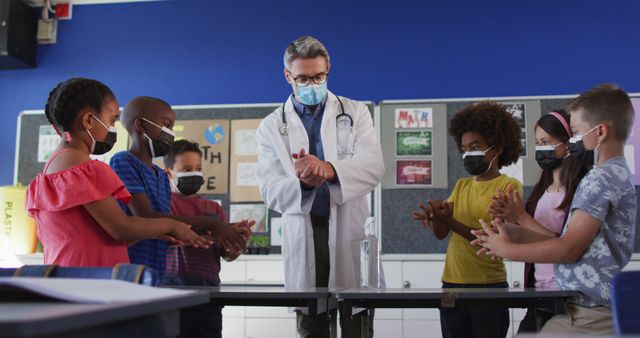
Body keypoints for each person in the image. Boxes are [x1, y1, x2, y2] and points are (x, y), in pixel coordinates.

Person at [473, 83, 636, 334]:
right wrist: (513, 234)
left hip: (589, 313)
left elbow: (569, 248)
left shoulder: (599, 178)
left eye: (577, 132)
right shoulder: (620, 173)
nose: (573, 142)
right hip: (587, 307)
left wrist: (507, 249)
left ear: (600, 131)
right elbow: (575, 242)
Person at [256, 35, 384, 338]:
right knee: (311, 328)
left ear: (328, 71)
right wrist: (303, 183)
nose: (312, 84)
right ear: (288, 76)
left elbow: (373, 167)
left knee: (358, 326)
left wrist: (327, 170)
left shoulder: (355, 112)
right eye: (302, 78)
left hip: (350, 233)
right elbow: (270, 190)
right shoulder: (271, 126)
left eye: (319, 76)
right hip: (305, 233)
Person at [26, 78, 210, 267]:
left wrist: (155, 230)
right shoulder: (82, 166)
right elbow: (121, 228)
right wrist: (171, 225)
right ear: (89, 120)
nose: (113, 128)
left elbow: (101, 234)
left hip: (71, 273)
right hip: (90, 279)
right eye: (111, 119)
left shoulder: (56, 163)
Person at [413, 101, 523, 338]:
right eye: (465, 148)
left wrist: (450, 222)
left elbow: (492, 239)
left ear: (497, 148)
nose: (469, 153)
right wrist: (436, 217)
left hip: (488, 287)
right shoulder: (461, 186)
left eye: (475, 146)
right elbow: (441, 234)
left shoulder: (508, 186)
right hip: (451, 285)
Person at [110, 96, 249, 280]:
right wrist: (212, 224)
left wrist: (219, 231)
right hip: (130, 273)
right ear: (140, 125)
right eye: (166, 125)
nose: (170, 133)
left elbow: (164, 231)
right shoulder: (123, 161)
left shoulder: (160, 176)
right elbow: (145, 217)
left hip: (155, 275)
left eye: (172, 127)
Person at [488, 110, 590, 332]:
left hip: (566, 294)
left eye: (546, 142)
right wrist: (504, 228)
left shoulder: (581, 190)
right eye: (537, 142)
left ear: (566, 144)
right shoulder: (541, 190)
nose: (540, 149)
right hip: (539, 292)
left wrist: (521, 217)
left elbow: (566, 245)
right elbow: (531, 237)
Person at [162, 139, 250, 338]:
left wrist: (238, 241)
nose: (194, 173)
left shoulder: (213, 209)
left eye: (198, 168)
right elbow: (161, 239)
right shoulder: (162, 206)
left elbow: (225, 254)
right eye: (186, 169)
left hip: (208, 295)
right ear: (169, 171)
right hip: (170, 292)